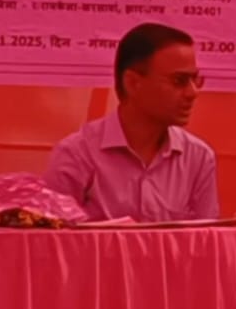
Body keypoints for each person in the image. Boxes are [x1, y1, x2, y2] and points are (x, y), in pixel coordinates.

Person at [43, 23, 219, 221]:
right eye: (179, 81)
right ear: (133, 83)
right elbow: (53, 236)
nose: (193, 92)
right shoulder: (77, 154)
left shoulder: (199, 157)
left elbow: (207, 236)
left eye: (195, 80)